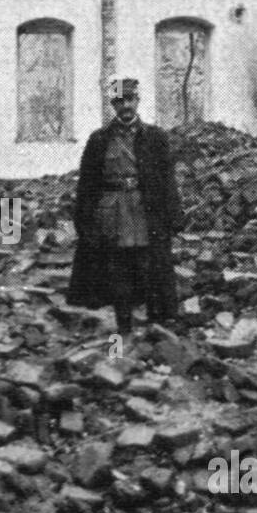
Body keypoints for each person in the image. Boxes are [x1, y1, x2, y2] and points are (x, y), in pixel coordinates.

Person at [67, 77, 184, 335]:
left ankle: (157, 323)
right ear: (113, 105)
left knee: (148, 262)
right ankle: (123, 324)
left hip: (144, 208)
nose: (125, 106)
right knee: (116, 265)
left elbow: (167, 179)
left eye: (130, 100)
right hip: (112, 210)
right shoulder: (98, 139)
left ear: (137, 101)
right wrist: (83, 219)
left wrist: (174, 214)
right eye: (119, 101)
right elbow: (87, 183)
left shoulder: (156, 137)